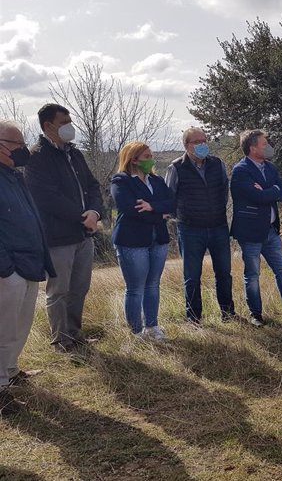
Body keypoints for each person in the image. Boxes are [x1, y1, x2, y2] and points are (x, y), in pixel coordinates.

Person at [24, 104, 103, 353]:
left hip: (83, 234)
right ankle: (60, 341)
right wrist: (83, 217)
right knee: (58, 291)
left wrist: (95, 212)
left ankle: (74, 335)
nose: (70, 126)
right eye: (64, 122)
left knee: (79, 288)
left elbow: (93, 185)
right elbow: (47, 198)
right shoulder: (36, 158)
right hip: (58, 237)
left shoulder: (74, 154)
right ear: (48, 126)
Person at [0, 121, 56, 415]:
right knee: (4, 330)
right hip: (9, 270)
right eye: (17, 145)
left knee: (20, 326)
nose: (23, 150)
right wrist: (5, 269)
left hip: (29, 264)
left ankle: (10, 372)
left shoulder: (14, 176)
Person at [230, 129, 282, 327]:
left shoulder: (271, 168)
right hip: (251, 233)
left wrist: (268, 190)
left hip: (271, 231)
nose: (268, 147)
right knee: (253, 275)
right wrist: (271, 191)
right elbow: (258, 197)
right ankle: (255, 314)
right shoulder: (241, 171)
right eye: (265, 144)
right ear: (253, 147)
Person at [165, 127, 235, 324]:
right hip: (190, 229)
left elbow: (224, 190)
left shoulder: (217, 164)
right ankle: (194, 319)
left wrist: (217, 210)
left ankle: (228, 314)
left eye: (205, 140)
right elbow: (170, 196)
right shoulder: (176, 167)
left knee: (224, 273)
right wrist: (182, 217)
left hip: (218, 226)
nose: (203, 145)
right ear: (187, 146)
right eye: (198, 142)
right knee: (192, 277)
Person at [112, 142, 175, 339]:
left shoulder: (156, 180)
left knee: (153, 284)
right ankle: (136, 331)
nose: (151, 160)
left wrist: (152, 206)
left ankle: (152, 327)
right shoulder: (121, 181)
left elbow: (171, 202)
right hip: (132, 240)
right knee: (135, 288)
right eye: (147, 156)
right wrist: (159, 213)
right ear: (134, 159)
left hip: (158, 239)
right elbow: (130, 208)